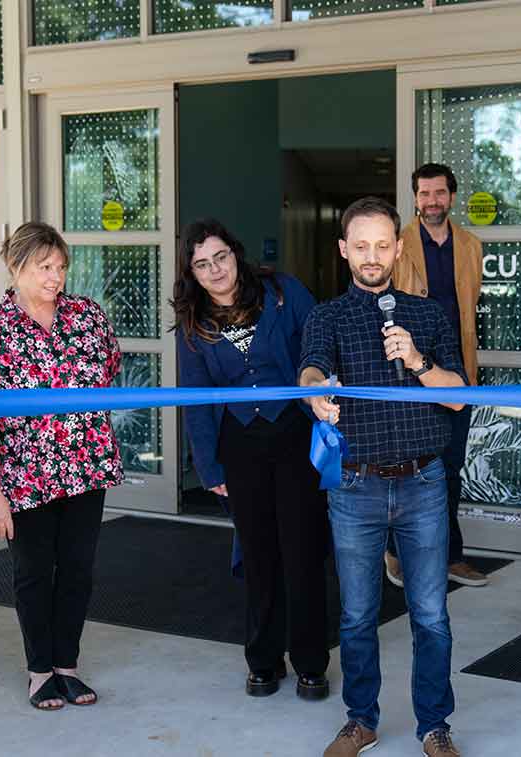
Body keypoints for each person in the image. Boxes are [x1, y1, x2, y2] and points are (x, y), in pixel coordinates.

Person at [301, 196, 468, 757]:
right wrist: (317, 393)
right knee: (355, 616)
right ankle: (361, 720)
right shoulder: (326, 315)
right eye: (361, 246)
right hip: (355, 486)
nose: (372, 256)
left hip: (423, 484)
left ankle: (435, 726)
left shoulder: (428, 315)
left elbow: (457, 400)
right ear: (344, 250)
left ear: (398, 248)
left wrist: (419, 362)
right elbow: (311, 367)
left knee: (430, 615)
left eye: (382, 245)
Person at [0, 221, 123, 711]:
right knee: (33, 572)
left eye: (61, 267)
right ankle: (38, 670)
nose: (55, 277)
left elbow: (109, 369)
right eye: (43, 267)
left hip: (85, 464)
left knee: (77, 569)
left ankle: (66, 666)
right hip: (23, 474)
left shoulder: (88, 316)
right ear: (16, 267)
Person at [172, 218, 330, 700]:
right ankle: (262, 660)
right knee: (259, 555)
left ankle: (310, 662)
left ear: (235, 254)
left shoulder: (283, 292)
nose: (215, 269)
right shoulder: (193, 323)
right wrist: (209, 467)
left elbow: (319, 341)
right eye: (202, 264)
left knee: (302, 552)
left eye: (220, 257)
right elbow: (196, 399)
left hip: (295, 433)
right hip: (238, 443)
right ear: (192, 273)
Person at [389, 162, 487, 589]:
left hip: (455, 367)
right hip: (409, 367)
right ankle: (394, 550)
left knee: (450, 465)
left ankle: (451, 556)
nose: (432, 201)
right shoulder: (398, 243)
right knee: (406, 462)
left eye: (439, 193)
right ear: (415, 198)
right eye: (424, 193)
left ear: (452, 196)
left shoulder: (470, 244)